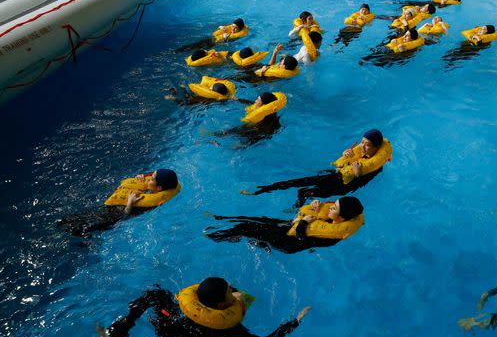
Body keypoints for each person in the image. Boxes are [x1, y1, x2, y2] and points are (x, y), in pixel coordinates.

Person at [96, 276, 310, 337]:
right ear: (220, 305)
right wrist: (296, 321)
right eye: (229, 292)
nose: (233, 294)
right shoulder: (228, 327)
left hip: (164, 321)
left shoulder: (184, 301)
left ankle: (116, 332)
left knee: (155, 294)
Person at [241, 129, 390, 207]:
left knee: (304, 193)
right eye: (362, 142)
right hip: (333, 176)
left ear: (376, 147)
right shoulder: (360, 152)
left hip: (342, 186)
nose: (362, 147)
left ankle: (293, 210)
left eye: (367, 145)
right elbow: (342, 164)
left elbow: (355, 187)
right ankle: (257, 192)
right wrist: (346, 156)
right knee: (294, 182)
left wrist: (357, 175)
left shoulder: (376, 167)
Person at [207, 196, 364, 254]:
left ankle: (215, 236)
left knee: (246, 228)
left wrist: (302, 222)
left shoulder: (332, 236)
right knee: (257, 219)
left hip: (287, 242)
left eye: (334, 208)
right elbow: (312, 214)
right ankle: (222, 220)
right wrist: (316, 206)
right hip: (289, 227)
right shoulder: (332, 218)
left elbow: (303, 239)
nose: (330, 207)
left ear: (342, 218)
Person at [58, 169, 179, 238]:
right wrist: (142, 176)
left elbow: (124, 218)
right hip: (107, 209)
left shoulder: (152, 202)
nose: (148, 179)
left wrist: (130, 204)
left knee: (78, 230)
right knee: (65, 222)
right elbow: (149, 175)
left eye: (151, 179)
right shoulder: (151, 188)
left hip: (112, 218)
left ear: (159, 188)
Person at [175, 18, 247, 51]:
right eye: (232, 27)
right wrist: (222, 28)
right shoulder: (231, 28)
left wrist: (225, 39)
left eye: (235, 28)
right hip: (211, 40)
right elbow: (227, 26)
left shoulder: (238, 36)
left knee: (197, 48)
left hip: (213, 44)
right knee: (194, 45)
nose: (233, 29)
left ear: (240, 28)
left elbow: (225, 43)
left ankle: (179, 51)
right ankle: (178, 51)